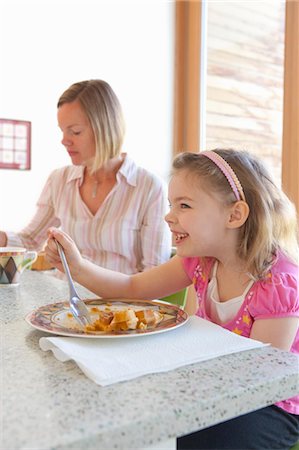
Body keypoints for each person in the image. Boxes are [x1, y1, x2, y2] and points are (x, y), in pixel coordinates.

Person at [45, 148, 299, 449]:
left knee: (201, 438)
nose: (169, 216)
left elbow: (259, 379)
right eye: (171, 204)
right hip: (215, 385)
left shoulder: (278, 283)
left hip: (272, 405)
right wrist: (78, 267)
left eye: (184, 205)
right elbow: (131, 287)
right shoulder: (200, 262)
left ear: (234, 215)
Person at [0, 79, 171, 274]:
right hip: (64, 298)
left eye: (75, 131)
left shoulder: (149, 187)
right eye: (62, 131)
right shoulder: (59, 180)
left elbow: (155, 272)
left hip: (119, 303)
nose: (64, 140)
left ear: (105, 128)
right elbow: (30, 240)